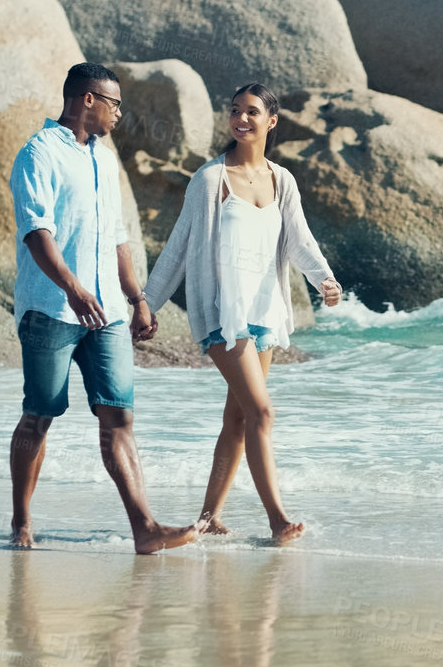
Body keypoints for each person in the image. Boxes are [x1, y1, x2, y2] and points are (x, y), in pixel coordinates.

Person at [7, 63, 196, 555]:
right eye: (115, 104)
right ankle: (21, 521)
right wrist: (71, 287)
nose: (119, 113)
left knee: (118, 418)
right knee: (39, 416)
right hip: (50, 307)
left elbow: (116, 237)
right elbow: (36, 232)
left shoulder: (105, 160)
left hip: (108, 311)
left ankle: (145, 528)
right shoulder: (38, 153)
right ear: (88, 99)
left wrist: (137, 298)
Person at [142, 83, 343, 545]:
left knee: (238, 419)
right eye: (235, 111)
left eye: (252, 112)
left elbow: (299, 241)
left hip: (264, 314)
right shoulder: (210, 180)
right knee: (262, 413)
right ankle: (276, 518)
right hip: (222, 313)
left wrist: (325, 281)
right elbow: (178, 247)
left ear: (272, 121)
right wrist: (147, 304)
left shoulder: (282, 180)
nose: (241, 119)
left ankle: (209, 517)